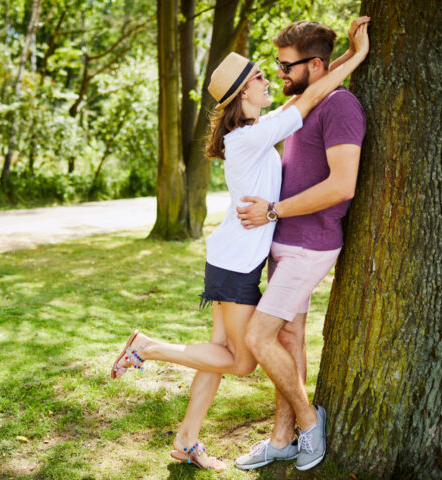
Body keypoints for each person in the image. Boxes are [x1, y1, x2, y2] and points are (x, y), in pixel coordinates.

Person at [109, 22, 370, 472]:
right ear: (242, 95)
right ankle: (146, 347)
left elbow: (314, 83)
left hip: (232, 258)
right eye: (260, 77)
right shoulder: (250, 137)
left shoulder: (257, 128)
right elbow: (308, 95)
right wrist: (360, 57)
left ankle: (187, 440)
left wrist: (345, 56)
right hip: (237, 264)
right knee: (242, 361)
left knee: (217, 354)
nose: (270, 79)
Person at [233, 17, 370, 472]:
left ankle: (310, 422)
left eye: (287, 66)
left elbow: (342, 186)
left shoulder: (340, 107)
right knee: (287, 339)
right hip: (284, 242)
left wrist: (272, 211)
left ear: (314, 64)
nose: (280, 74)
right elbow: (317, 79)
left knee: (258, 336)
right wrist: (353, 54)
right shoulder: (301, 106)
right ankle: (281, 437)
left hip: (311, 245)